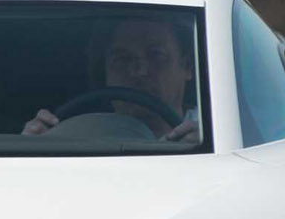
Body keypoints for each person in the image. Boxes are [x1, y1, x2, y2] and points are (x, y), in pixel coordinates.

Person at [23, 16, 200, 141]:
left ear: (187, 67)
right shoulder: (75, 137)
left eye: (156, 55)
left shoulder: (218, 132)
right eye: (122, 59)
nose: (139, 71)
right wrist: (31, 147)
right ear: (105, 72)